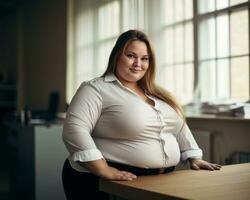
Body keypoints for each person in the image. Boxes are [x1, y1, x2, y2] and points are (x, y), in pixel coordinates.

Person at [62, 29, 221, 200]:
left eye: (144, 58)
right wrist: (103, 169)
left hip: (158, 181)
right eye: (131, 56)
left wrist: (193, 157)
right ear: (117, 56)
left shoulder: (157, 93)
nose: (138, 63)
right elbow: (75, 129)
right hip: (105, 180)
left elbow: (178, 127)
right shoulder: (95, 89)